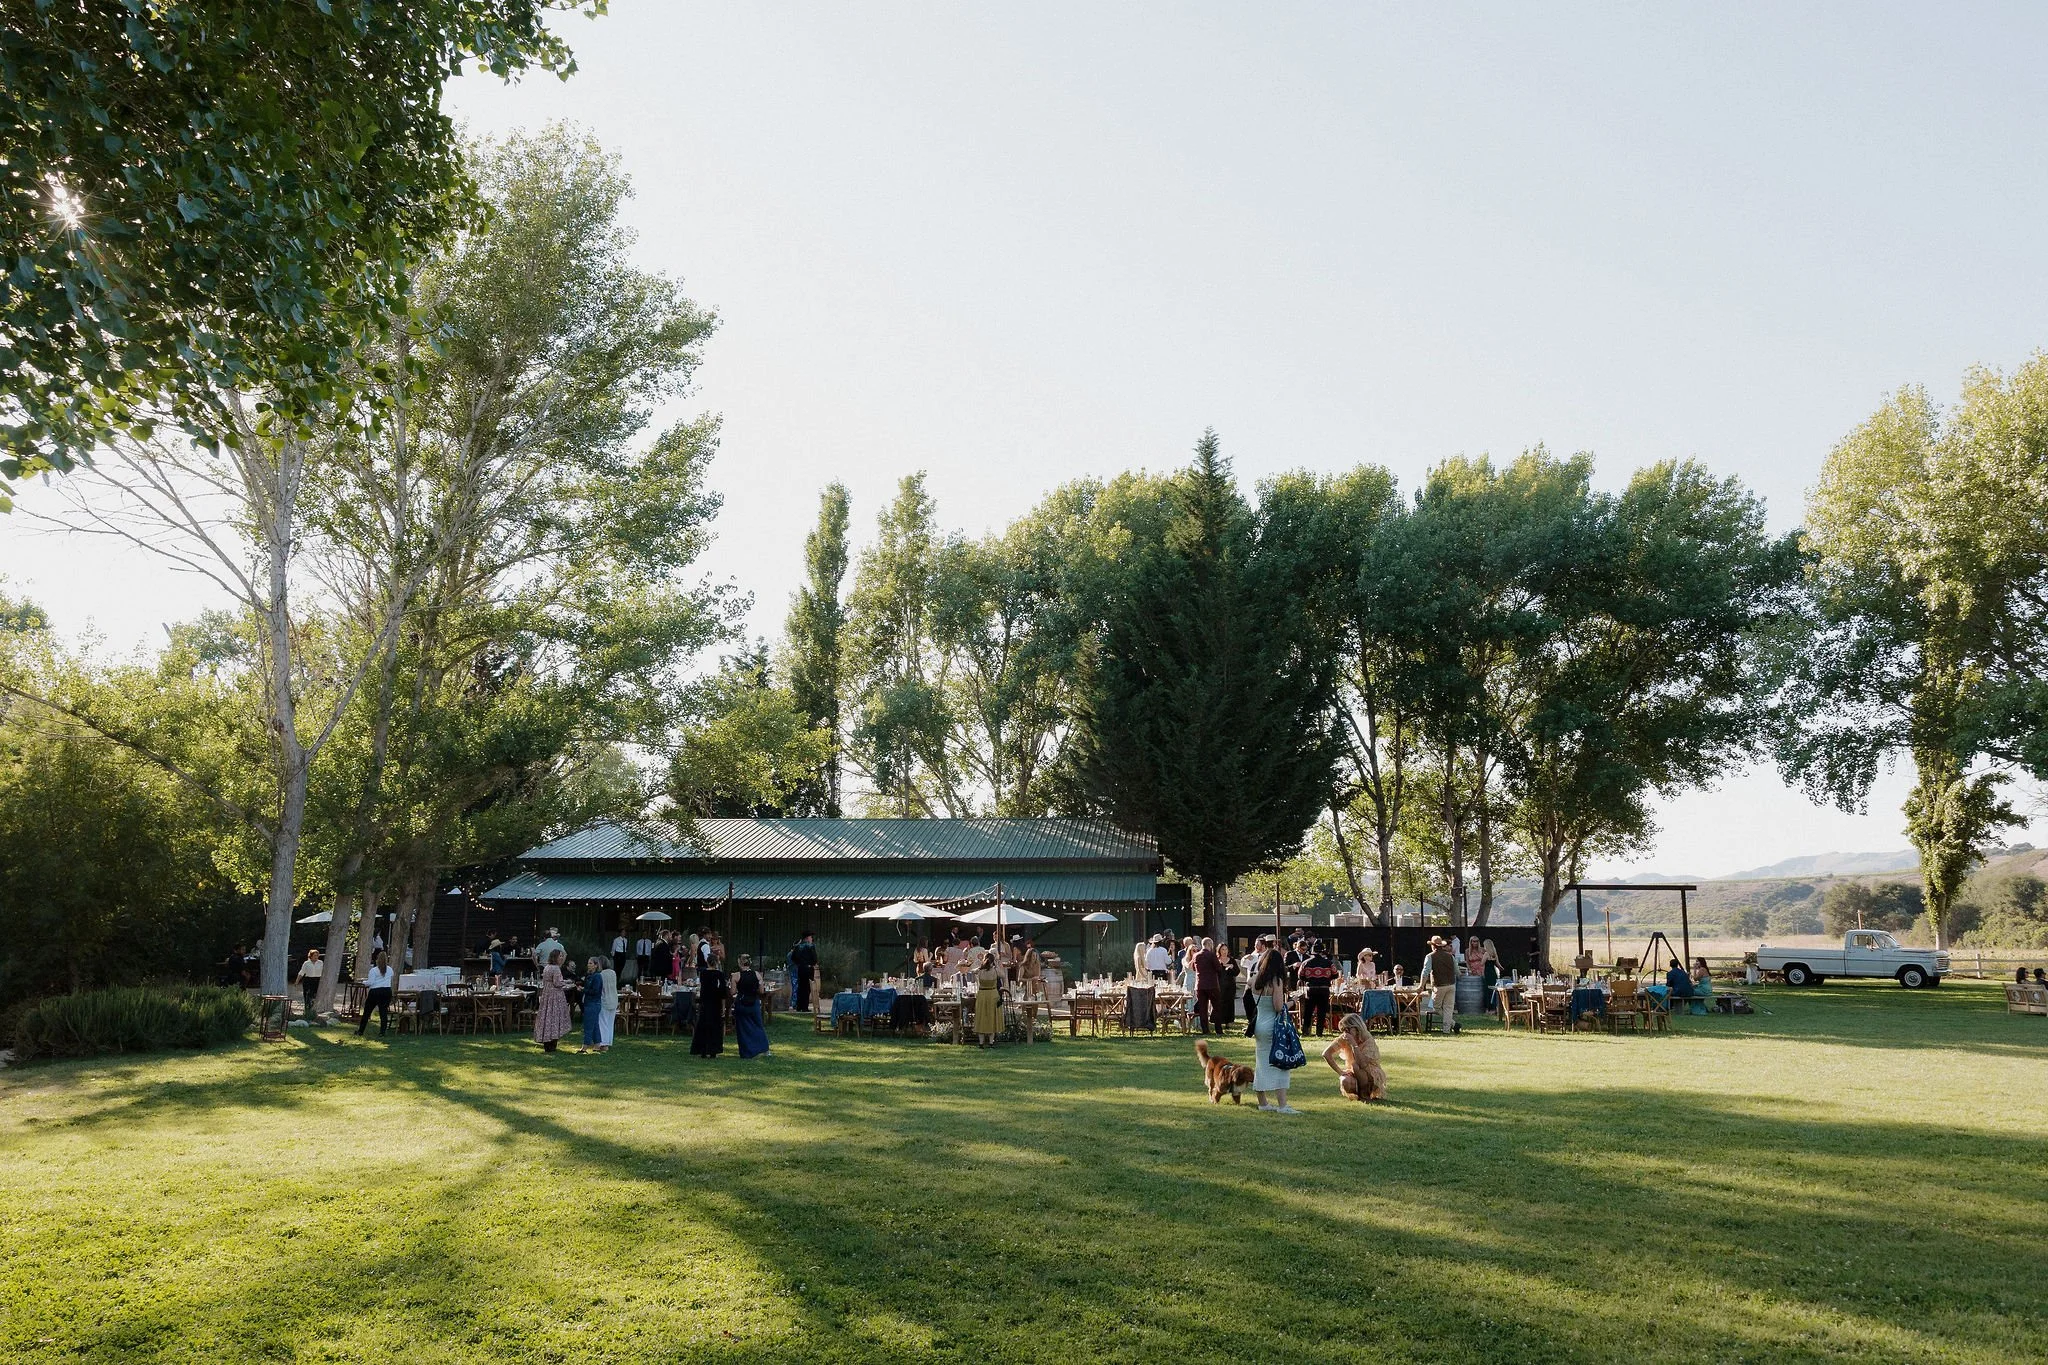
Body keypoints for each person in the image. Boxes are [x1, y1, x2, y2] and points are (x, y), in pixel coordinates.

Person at [1251, 943, 1298, 1113]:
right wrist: (1293, 1001)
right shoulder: (1276, 981)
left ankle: (1263, 1103)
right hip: (1273, 1025)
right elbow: (1278, 1007)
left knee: (1261, 1064)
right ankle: (1283, 1105)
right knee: (1281, 1063)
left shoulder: (1255, 980)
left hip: (1259, 1024)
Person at [1322, 1013, 1386, 1102]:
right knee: (1345, 1080)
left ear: (1356, 1028)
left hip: (1371, 1073)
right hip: (1354, 1070)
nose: (1345, 1033)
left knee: (1356, 1065)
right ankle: (1359, 1095)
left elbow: (1362, 1064)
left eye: (1348, 1030)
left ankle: (1365, 1095)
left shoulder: (1367, 1039)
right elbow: (1326, 1054)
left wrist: (1354, 1045)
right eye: (1344, 1030)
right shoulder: (1345, 1038)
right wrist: (1340, 1072)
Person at [691, 951, 729, 1058]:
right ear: (717, 962)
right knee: (715, 1027)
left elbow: (702, 988)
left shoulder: (703, 974)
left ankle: (702, 1050)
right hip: (715, 1003)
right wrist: (723, 1006)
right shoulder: (719, 974)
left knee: (703, 1026)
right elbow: (722, 992)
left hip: (705, 1002)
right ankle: (713, 1050)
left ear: (707, 962)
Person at [533, 950, 572, 1053]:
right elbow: (557, 983)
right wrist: (566, 984)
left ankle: (547, 1041)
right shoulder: (556, 968)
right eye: (560, 956)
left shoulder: (547, 967)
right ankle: (552, 1042)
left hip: (546, 995)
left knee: (547, 1017)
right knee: (554, 1017)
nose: (561, 958)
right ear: (555, 957)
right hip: (555, 996)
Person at [733, 954, 770, 1058]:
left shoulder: (736, 976)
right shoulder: (757, 974)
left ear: (740, 963)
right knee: (758, 1026)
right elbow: (762, 990)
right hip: (754, 1003)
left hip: (742, 1003)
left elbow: (733, 992)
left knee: (742, 1028)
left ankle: (746, 1052)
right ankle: (764, 1049)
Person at [1299, 940, 1337, 1036]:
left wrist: (1309, 979)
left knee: (1308, 1011)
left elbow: (1300, 975)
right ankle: (1319, 1032)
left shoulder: (1306, 963)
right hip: (1324, 990)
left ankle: (1305, 1031)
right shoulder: (1328, 963)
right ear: (1322, 951)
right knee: (1322, 1012)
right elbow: (1335, 974)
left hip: (1311, 989)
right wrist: (1327, 978)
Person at [1424, 935, 1460, 1035]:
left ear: (1433, 946)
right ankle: (1447, 1029)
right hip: (1451, 985)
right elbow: (1457, 971)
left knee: (1436, 1007)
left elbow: (1425, 972)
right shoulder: (1450, 956)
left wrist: (1421, 986)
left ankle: (1453, 1024)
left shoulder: (1430, 956)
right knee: (1448, 1008)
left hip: (1439, 985)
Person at [355, 951, 394, 1036]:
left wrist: (363, 982)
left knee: (367, 1012)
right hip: (386, 990)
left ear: (377, 960)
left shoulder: (374, 970)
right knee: (383, 1012)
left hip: (375, 991)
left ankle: (361, 1031)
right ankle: (382, 1032)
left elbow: (371, 982)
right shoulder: (390, 969)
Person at [973, 950, 1004, 1048]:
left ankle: (981, 1043)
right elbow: (1003, 975)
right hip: (992, 994)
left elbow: (972, 971)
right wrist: (996, 966)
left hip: (982, 994)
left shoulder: (980, 971)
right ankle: (991, 1042)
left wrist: (980, 966)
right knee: (991, 1017)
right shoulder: (995, 970)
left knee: (981, 1017)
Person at [1192, 937, 1222, 1035]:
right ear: (1210, 944)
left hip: (1200, 985)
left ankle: (1205, 1030)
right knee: (1216, 1007)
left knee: (1202, 1009)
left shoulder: (1196, 955)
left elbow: (1193, 968)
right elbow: (1218, 968)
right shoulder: (1211, 955)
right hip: (1212, 984)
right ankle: (1218, 1029)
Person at [578, 957, 606, 1053]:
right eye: (588, 963)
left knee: (588, 1025)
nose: (588, 965)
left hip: (593, 1003)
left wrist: (583, 990)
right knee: (594, 1025)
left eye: (590, 963)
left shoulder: (597, 976)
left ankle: (585, 1046)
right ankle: (597, 1044)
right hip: (588, 1002)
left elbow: (595, 990)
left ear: (596, 965)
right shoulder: (589, 975)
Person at [790, 932, 819, 1011]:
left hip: (801, 969)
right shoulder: (811, 947)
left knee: (800, 987)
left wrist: (799, 963)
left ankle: (799, 1007)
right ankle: (805, 1007)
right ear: (807, 938)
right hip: (808, 969)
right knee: (807, 988)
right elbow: (814, 959)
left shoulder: (798, 946)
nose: (811, 939)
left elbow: (793, 958)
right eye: (810, 937)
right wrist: (812, 963)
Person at [1215, 945, 1240, 1030]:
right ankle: (1220, 1021)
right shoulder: (1216, 960)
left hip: (1230, 985)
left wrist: (1232, 967)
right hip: (1219, 985)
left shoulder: (1232, 960)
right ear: (1219, 950)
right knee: (1220, 1003)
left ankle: (1228, 1022)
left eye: (1226, 949)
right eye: (1222, 949)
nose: (1224, 951)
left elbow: (1237, 972)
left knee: (1229, 1003)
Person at [295, 949, 323, 1018]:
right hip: (308, 980)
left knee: (315, 995)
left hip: (317, 980)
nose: (316, 957)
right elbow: (301, 972)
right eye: (315, 955)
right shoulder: (306, 963)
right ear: (311, 956)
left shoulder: (320, 963)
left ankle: (314, 1010)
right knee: (307, 995)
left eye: (317, 955)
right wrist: (297, 981)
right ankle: (307, 1010)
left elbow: (324, 972)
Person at [1480, 939, 1502, 1011]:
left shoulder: (1486, 954)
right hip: (1493, 972)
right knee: (1493, 989)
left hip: (1488, 972)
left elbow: (1482, 963)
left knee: (1488, 989)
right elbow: (1498, 965)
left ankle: (1488, 1007)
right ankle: (1494, 1006)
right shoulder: (1494, 954)